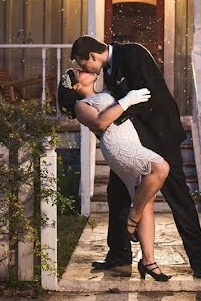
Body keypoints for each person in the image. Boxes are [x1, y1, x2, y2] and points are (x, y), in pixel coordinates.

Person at [71, 36, 201, 278]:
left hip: (160, 136)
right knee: (116, 194)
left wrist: (115, 115)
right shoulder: (110, 68)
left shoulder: (133, 54)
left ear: (93, 56)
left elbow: (146, 95)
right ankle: (119, 254)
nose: (84, 70)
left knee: (178, 196)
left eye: (84, 65)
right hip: (135, 142)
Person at [58, 68, 172, 281]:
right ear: (75, 86)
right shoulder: (81, 106)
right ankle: (132, 217)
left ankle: (148, 261)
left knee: (146, 199)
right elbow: (101, 122)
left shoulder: (105, 92)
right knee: (161, 168)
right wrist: (127, 100)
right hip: (117, 145)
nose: (84, 70)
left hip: (131, 140)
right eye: (78, 72)